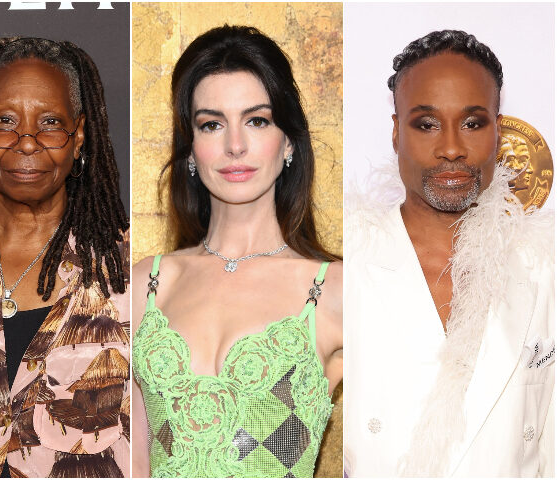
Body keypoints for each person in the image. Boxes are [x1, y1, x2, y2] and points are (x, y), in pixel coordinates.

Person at [132, 25, 343, 478]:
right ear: (191, 147)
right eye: (212, 124)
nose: (234, 146)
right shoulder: (146, 283)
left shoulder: (336, 289)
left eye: (257, 120)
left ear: (287, 141)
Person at [343, 30, 554, 477]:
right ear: (396, 131)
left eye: (474, 122)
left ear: (499, 130)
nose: (452, 148)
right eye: (427, 123)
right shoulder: (347, 265)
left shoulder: (543, 269)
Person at [0, 37, 130, 478]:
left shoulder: (131, 274)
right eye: (5, 122)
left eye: (50, 122)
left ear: (80, 134)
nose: (27, 143)